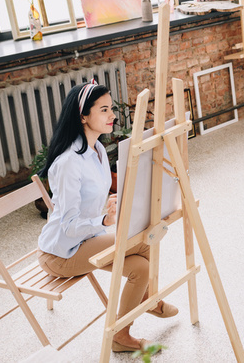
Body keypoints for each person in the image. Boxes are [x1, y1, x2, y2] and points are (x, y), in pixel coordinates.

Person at [36, 81, 178, 353]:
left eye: (111, 108)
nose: (112, 115)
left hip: (88, 238)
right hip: (61, 253)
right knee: (144, 239)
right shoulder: (68, 162)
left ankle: (121, 333)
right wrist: (102, 221)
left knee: (141, 268)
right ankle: (147, 301)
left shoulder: (98, 150)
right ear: (83, 117)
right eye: (104, 110)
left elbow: (92, 199)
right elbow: (67, 224)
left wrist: (108, 206)